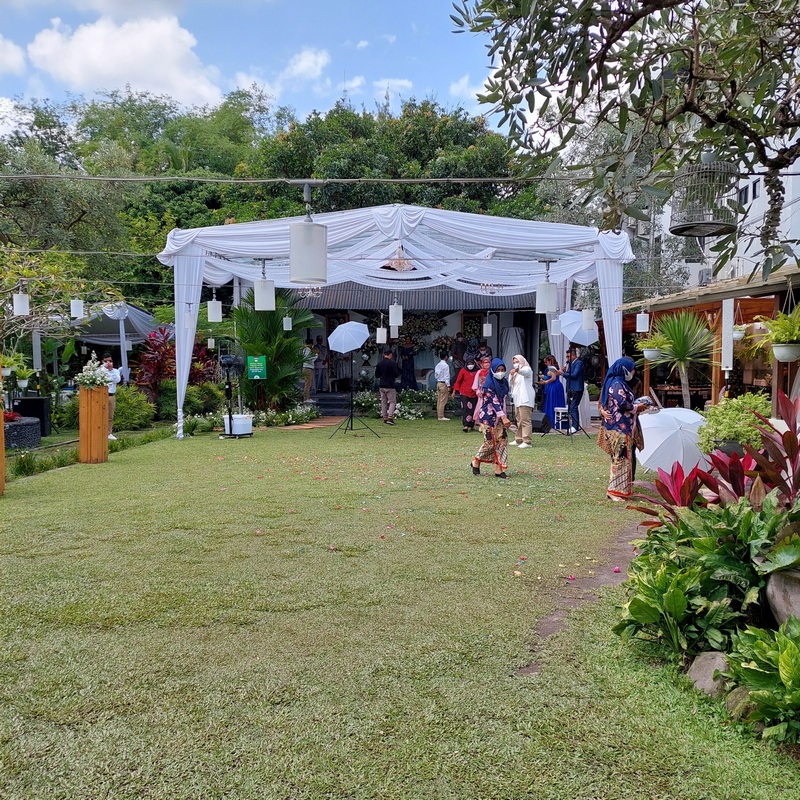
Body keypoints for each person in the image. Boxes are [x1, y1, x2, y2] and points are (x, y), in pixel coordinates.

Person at [598, 357, 648, 502]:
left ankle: (621, 491)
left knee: (623, 459)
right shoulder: (617, 384)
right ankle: (613, 491)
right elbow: (622, 403)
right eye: (631, 369)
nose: (633, 372)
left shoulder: (616, 382)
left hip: (621, 427)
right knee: (620, 459)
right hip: (619, 427)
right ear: (624, 370)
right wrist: (637, 407)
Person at [471, 358, 512, 478]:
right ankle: (476, 461)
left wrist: (503, 416)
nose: (500, 372)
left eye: (502, 370)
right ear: (493, 370)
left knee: (502, 441)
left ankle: (499, 468)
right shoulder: (487, 385)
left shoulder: (504, 383)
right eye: (497, 370)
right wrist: (504, 417)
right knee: (490, 443)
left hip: (500, 417)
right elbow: (494, 402)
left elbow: (503, 400)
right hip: (487, 417)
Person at [508, 354, 535, 448]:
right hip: (517, 399)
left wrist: (517, 370)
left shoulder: (527, 369)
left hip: (525, 399)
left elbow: (525, 372)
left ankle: (527, 441)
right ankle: (519, 439)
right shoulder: (515, 373)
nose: (515, 364)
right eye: (514, 362)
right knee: (519, 420)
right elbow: (511, 384)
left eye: (517, 362)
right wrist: (512, 375)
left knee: (525, 420)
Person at [374, 347, 401, 425]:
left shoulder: (379, 363)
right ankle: (390, 417)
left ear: (383, 355)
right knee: (392, 402)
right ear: (390, 355)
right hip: (390, 385)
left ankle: (385, 417)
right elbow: (396, 374)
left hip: (382, 385)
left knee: (384, 402)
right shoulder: (392, 363)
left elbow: (377, 375)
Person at [451, 356, 479, 432]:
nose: (470, 365)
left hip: (475, 394)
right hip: (464, 393)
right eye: (468, 364)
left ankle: (471, 425)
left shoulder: (477, 371)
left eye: (471, 363)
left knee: (473, 409)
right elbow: (458, 381)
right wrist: (454, 392)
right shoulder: (463, 370)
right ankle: (466, 425)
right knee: (465, 409)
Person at [562, 347, 586, 433]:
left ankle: (575, 426)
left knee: (573, 406)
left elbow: (574, 375)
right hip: (571, 388)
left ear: (573, 356)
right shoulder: (571, 364)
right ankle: (574, 425)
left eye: (568, 356)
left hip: (577, 388)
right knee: (571, 407)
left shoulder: (579, 363)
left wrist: (563, 374)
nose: (567, 358)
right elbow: (569, 377)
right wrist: (564, 372)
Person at [540, 354, 566, 428]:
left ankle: (552, 421)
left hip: (554, 386)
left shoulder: (552, 368)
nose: (546, 364)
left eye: (546, 362)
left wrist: (546, 381)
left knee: (552, 402)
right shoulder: (554, 368)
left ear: (550, 361)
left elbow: (553, 378)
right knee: (555, 402)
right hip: (557, 386)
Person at [101, 352, 122, 440]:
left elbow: (117, 380)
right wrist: (105, 370)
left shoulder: (116, 371)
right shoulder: (99, 371)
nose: (108, 363)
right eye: (106, 361)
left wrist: (110, 370)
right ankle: (100, 432)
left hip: (111, 395)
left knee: (110, 415)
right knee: (101, 415)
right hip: (101, 395)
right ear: (102, 362)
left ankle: (109, 433)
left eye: (110, 361)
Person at [434, 350, 451, 420]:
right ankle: (441, 416)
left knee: (439, 400)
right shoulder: (446, 365)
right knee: (443, 400)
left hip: (438, 382)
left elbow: (436, 375)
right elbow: (447, 376)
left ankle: (439, 415)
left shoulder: (438, 365)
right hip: (443, 383)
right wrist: (448, 385)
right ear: (446, 357)